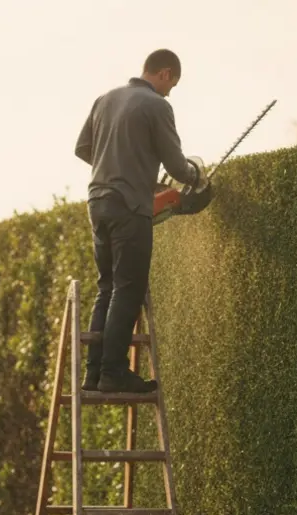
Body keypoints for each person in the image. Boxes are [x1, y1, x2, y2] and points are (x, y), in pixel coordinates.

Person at [74, 48, 207, 393]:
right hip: (128, 205)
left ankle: (93, 374)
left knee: (107, 286)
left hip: (97, 201)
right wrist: (196, 176)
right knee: (128, 288)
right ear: (164, 74)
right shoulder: (157, 105)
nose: (169, 92)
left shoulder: (105, 99)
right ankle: (114, 372)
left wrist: (120, 166)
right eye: (171, 84)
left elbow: (83, 149)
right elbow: (177, 166)